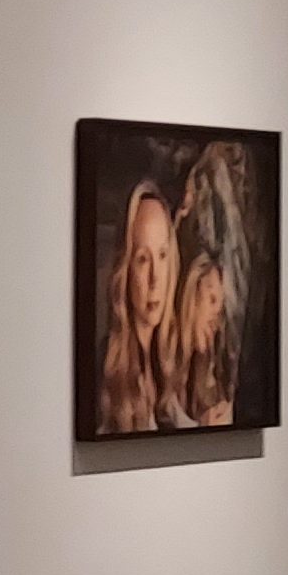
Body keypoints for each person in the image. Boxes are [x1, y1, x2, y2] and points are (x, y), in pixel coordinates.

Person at [96, 180, 182, 434]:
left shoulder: (173, 362)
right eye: (143, 259)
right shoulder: (106, 370)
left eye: (163, 255)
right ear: (125, 268)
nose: (156, 278)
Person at [176, 252, 235, 427]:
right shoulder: (157, 369)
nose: (215, 321)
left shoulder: (204, 373)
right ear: (191, 292)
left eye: (220, 310)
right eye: (211, 300)